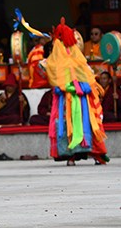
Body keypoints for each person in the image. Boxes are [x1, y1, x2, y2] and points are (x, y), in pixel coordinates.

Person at [45, 18, 108, 166]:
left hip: (74, 99)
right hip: (73, 99)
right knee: (78, 124)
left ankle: (73, 157)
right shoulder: (73, 57)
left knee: (74, 124)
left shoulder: (63, 58)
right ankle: (94, 155)